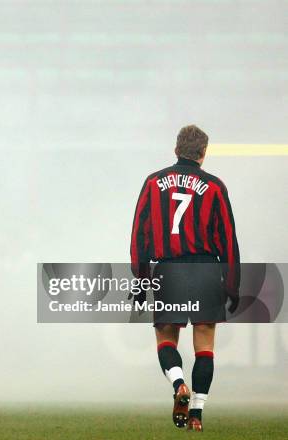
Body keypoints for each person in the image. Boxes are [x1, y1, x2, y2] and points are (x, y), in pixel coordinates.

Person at [130, 125, 240, 431]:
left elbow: (139, 235)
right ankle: (196, 416)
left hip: (169, 269)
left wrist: (140, 280)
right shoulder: (215, 186)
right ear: (203, 153)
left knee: (166, 339)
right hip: (206, 269)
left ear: (176, 149)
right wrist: (232, 284)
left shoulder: (153, 183)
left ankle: (179, 383)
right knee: (204, 344)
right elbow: (228, 238)